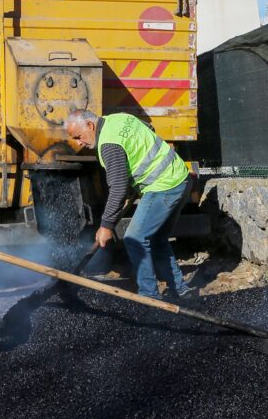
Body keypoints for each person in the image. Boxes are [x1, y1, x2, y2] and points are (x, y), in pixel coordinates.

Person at [63, 109, 193, 301]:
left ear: (90, 126)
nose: (79, 143)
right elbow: (148, 129)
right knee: (156, 239)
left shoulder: (108, 144)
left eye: (78, 137)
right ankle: (181, 290)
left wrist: (106, 225)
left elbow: (118, 187)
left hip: (164, 186)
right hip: (180, 177)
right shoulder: (118, 118)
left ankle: (149, 297)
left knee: (135, 238)